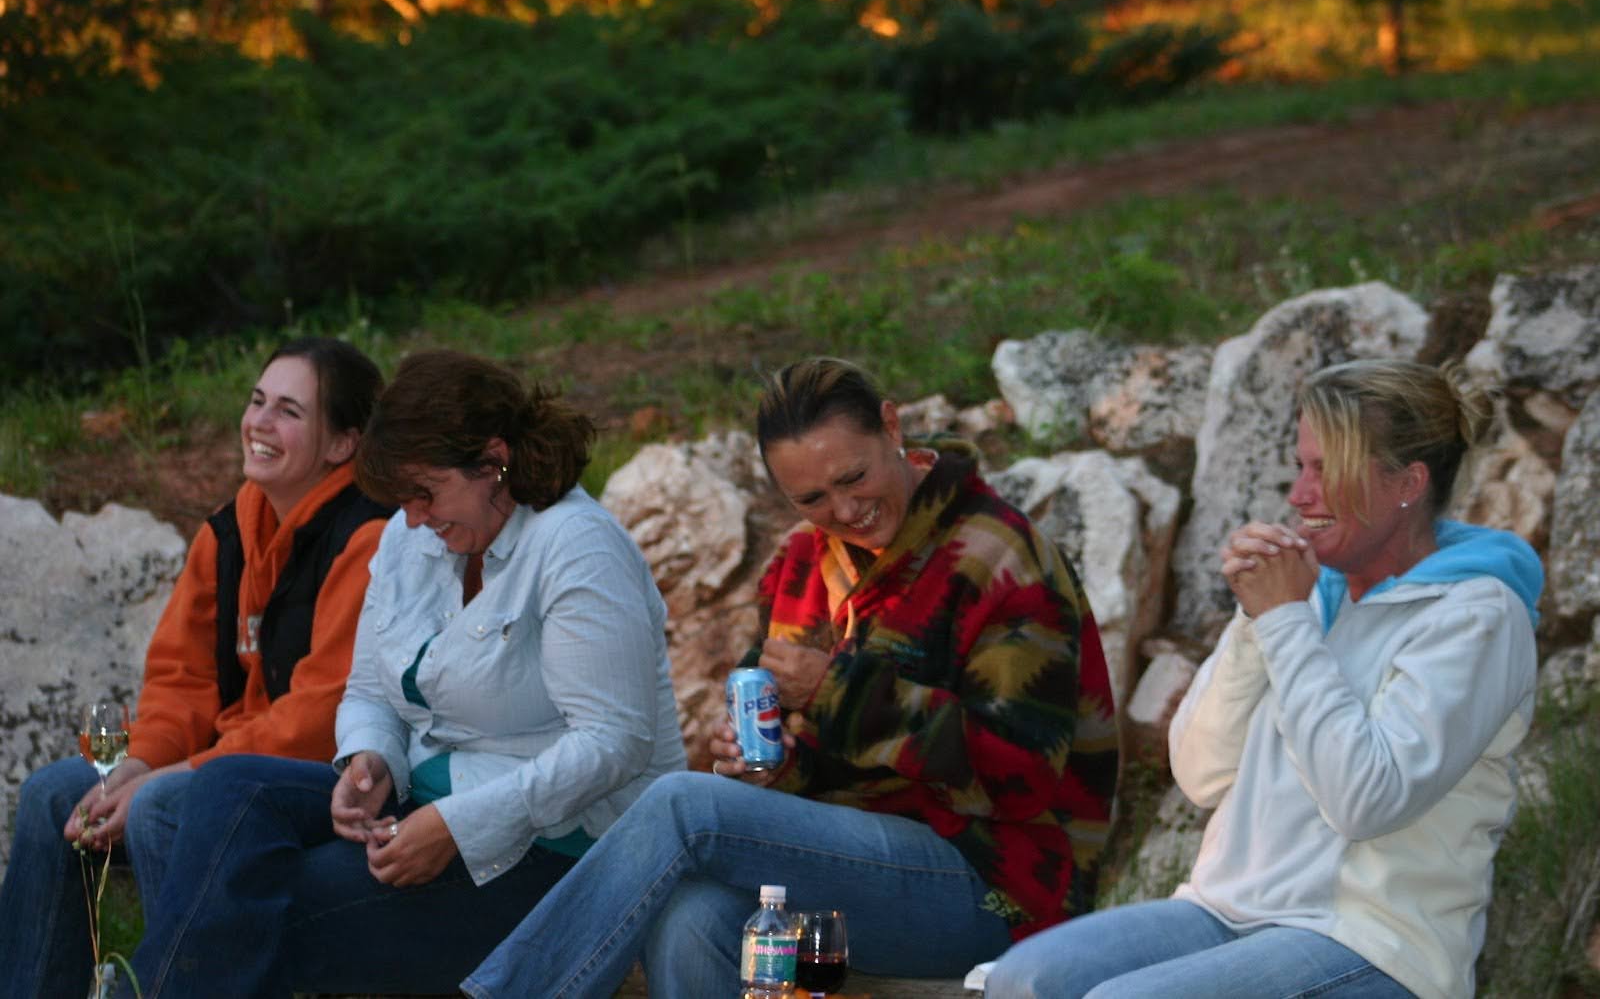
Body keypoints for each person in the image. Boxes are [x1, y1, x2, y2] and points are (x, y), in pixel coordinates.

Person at [461, 356, 1118, 999]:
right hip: (848, 867)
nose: (844, 509)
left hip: (998, 883)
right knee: (692, 917)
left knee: (684, 807)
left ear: (893, 427)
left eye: (853, 477)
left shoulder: (997, 556)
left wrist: (838, 693)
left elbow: (1022, 778)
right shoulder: (804, 558)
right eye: (812, 497)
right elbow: (810, 747)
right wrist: (771, 765)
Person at [119, 350, 687, 998]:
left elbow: (615, 742)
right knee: (195, 799)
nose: (413, 517)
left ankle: (155, 986)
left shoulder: (575, 545)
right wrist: (370, 760)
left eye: (425, 493)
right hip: (417, 797)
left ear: (494, 460)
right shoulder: (409, 534)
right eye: (403, 499)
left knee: (247, 908)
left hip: (554, 847)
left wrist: (457, 827)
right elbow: (369, 688)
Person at [985, 358, 1544, 999]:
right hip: (1226, 910)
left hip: (1373, 940)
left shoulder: (1477, 614)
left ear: (1406, 483)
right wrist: (1255, 624)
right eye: (1300, 466)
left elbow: (1367, 803)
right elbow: (1201, 775)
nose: (1299, 495)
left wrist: (1283, 622)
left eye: (1326, 470)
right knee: (1022, 980)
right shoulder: (1307, 591)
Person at [0, 337, 389, 999]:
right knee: (53, 795)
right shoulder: (229, 533)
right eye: (257, 401)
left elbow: (319, 720)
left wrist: (173, 777)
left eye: (289, 411)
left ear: (341, 445)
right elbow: (181, 680)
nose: (259, 423)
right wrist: (138, 762)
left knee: (164, 806)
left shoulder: (367, 538)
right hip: (217, 764)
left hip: (318, 780)